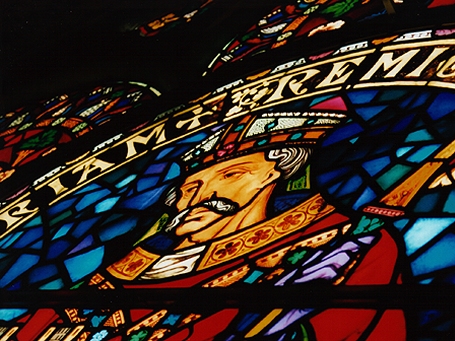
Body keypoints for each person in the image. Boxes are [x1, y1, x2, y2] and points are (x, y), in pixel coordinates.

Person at [99, 112, 406, 340]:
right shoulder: (120, 273)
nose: (201, 197)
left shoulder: (344, 242)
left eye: (231, 175)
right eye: (189, 189)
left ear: (275, 173)